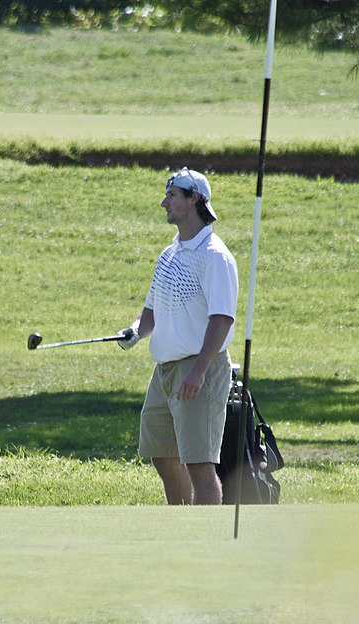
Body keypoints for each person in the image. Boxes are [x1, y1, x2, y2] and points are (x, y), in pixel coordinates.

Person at [117, 167, 238, 505]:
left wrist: (199, 370)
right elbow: (151, 310)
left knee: (199, 464)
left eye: (171, 195)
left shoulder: (214, 257)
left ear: (195, 198)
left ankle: (204, 540)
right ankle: (181, 525)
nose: (163, 202)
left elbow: (222, 318)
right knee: (162, 454)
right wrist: (136, 331)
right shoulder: (170, 254)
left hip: (200, 368)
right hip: (166, 370)